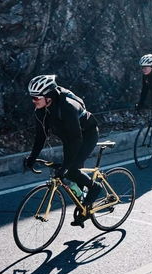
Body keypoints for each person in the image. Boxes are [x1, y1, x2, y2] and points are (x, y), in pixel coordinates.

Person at [24, 74, 101, 228]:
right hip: (69, 138)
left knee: (71, 169)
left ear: (49, 97)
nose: (33, 101)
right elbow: (41, 136)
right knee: (69, 172)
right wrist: (32, 157)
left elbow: (76, 140)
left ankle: (95, 188)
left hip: (86, 135)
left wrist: (66, 167)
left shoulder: (67, 107)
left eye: (36, 98)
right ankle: (84, 207)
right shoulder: (41, 110)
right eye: (32, 98)